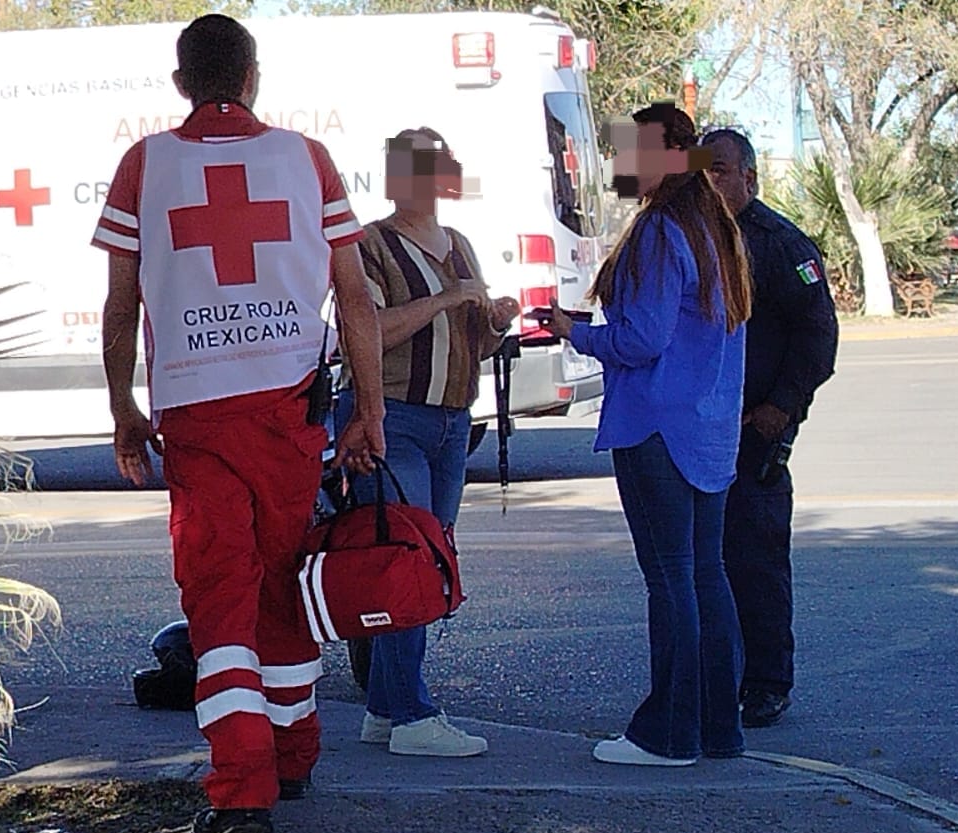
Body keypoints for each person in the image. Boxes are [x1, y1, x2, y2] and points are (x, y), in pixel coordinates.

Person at [93, 14, 386, 833]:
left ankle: (241, 788)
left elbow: (122, 305)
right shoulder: (305, 158)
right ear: (253, 77)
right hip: (292, 414)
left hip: (196, 416)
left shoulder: (145, 163)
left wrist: (122, 406)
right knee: (283, 580)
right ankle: (292, 755)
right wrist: (369, 409)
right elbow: (356, 298)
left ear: (182, 82)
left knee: (218, 595)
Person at [539, 102, 752, 766]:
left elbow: (641, 338)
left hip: (657, 424)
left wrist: (575, 332)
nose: (620, 164)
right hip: (708, 426)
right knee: (705, 574)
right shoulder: (716, 230)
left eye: (631, 151)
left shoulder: (662, 230)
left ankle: (667, 732)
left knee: (671, 580)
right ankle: (719, 727)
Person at [332, 127, 520, 758]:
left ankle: (386, 708)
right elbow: (370, 330)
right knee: (408, 561)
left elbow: (475, 341)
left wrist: (493, 324)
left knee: (426, 565)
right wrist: (448, 298)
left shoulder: (460, 244)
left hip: (451, 420)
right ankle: (413, 714)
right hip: (394, 417)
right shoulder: (369, 244)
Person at [699, 129, 838, 728]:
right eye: (703, 170)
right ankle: (713, 677)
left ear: (749, 178)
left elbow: (818, 335)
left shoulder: (780, 245)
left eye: (722, 171)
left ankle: (765, 682)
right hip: (699, 429)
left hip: (754, 428)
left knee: (754, 561)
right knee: (705, 562)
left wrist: (781, 408)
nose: (712, 181)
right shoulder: (690, 239)